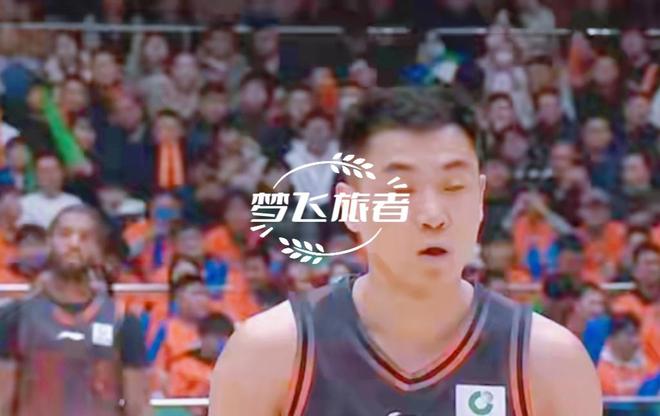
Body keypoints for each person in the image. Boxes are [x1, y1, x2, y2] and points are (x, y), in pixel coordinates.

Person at [210, 87, 602, 415]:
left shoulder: (549, 361)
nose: (433, 215)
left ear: (481, 199)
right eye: (401, 190)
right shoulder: (270, 353)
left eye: (453, 187)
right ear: (351, 206)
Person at [0, 205, 152, 416]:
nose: (73, 244)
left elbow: (138, 407)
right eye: (65, 234)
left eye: (85, 237)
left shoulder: (123, 321)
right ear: (49, 243)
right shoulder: (15, 317)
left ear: (99, 252)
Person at [18, 153, 82, 229]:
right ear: (36, 175)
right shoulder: (24, 204)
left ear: (62, 173)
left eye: (53, 170)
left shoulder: (74, 203)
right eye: (44, 171)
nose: (49, 175)